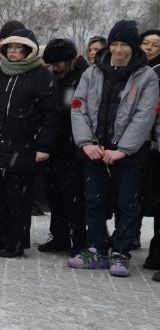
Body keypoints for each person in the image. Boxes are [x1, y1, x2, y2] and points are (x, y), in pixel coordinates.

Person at [67, 20, 159, 276]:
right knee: (93, 201)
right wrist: (86, 143)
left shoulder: (146, 75)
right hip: (95, 149)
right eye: (115, 44)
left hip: (128, 153)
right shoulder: (93, 72)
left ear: (133, 47)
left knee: (127, 204)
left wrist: (123, 149)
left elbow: (145, 115)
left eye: (124, 45)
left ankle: (121, 252)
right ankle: (95, 248)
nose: (119, 50)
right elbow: (78, 105)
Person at [0, 28, 57, 258]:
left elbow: (51, 115)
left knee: (17, 198)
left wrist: (44, 146)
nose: (14, 52)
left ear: (29, 51)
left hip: (24, 147)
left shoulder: (41, 77)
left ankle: (14, 242)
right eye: (10, 47)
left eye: (19, 48)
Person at [38, 38, 87, 255]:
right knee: (54, 193)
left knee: (73, 196)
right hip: (54, 144)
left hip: (73, 144)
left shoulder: (84, 77)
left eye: (57, 63)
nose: (54, 67)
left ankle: (79, 239)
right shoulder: (55, 78)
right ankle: (58, 236)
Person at [137, 29, 160, 268]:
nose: (150, 47)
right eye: (146, 43)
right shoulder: (135, 70)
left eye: (155, 44)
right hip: (140, 143)